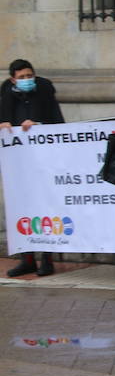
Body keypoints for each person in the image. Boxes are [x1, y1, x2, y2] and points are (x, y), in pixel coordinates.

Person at [2, 59, 64, 278]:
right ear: (13, 80)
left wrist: (40, 127)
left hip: (42, 163)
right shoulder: (6, 96)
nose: (27, 80)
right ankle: (27, 258)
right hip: (18, 166)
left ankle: (47, 258)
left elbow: (59, 124)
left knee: (44, 209)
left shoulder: (45, 93)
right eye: (22, 77)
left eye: (30, 76)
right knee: (21, 210)